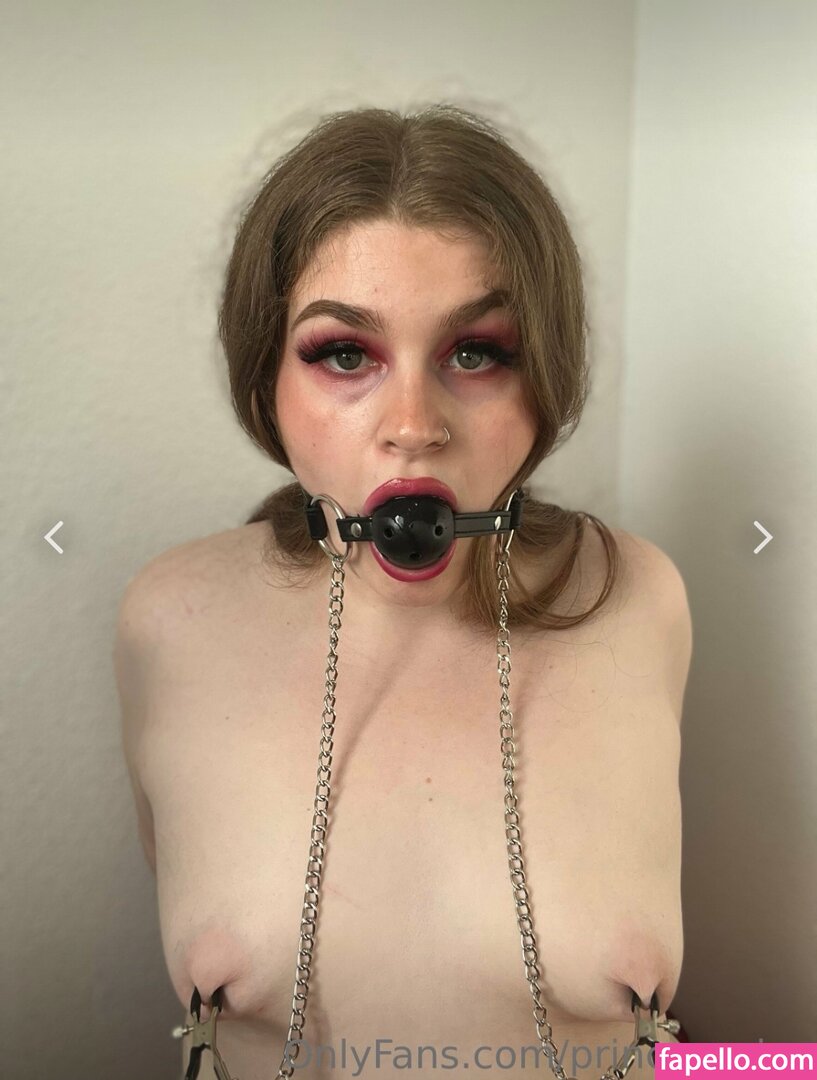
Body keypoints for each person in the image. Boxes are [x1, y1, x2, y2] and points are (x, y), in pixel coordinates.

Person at [115, 104, 692, 1080]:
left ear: (543, 370)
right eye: (345, 355)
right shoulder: (167, 622)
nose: (414, 425)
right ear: (266, 378)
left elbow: (692, 1056)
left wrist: (772, 1066)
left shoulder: (639, 598)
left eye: (476, 352)